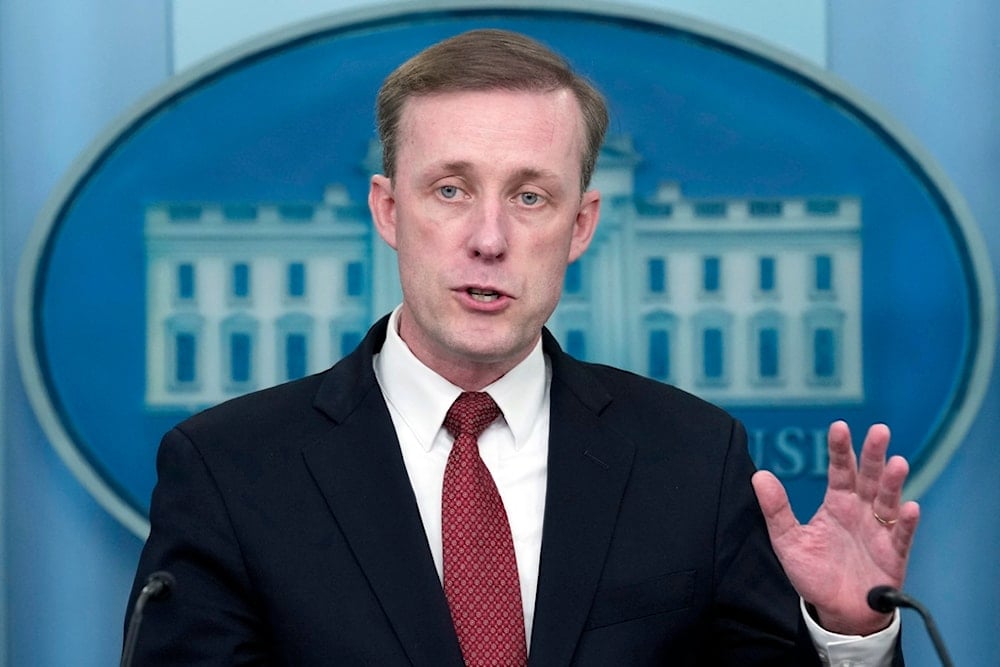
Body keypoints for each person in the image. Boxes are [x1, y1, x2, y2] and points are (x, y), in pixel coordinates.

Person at [126, 29, 920, 665]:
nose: (490, 238)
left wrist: (847, 637)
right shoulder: (229, 470)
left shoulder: (695, 458)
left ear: (581, 226)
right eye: (450, 190)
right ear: (388, 210)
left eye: (530, 196)